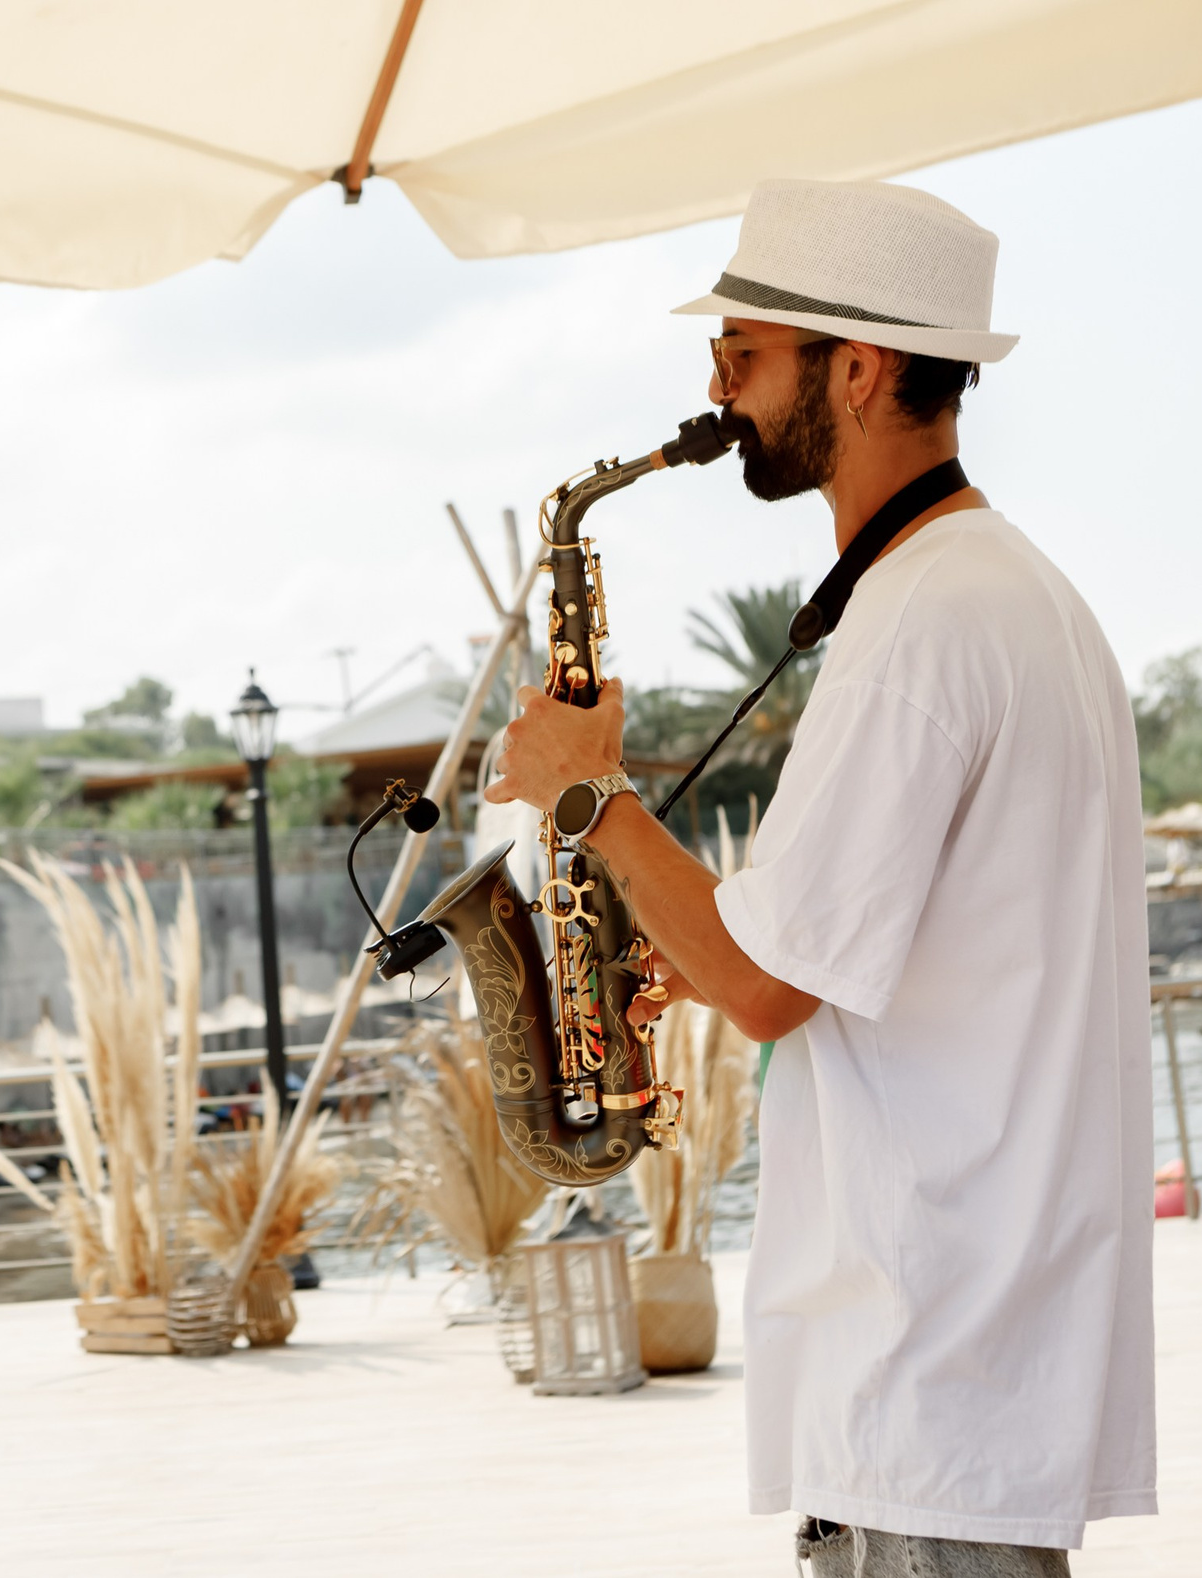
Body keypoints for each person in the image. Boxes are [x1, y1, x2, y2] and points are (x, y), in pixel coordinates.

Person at [484, 179, 1153, 1575]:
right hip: (964, 1379)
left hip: (927, 1385)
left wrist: (589, 792)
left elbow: (767, 988)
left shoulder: (918, 621)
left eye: (741, 352)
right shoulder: (1013, 594)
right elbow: (857, 953)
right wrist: (691, 932)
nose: (713, 388)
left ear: (854, 369)